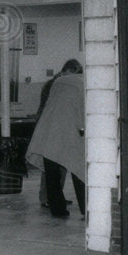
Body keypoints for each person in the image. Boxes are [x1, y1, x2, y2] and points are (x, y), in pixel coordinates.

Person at [26, 59, 86, 219]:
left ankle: (57, 209)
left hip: (47, 131)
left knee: (51, 172)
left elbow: (46, 106)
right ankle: (86, 209)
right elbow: (82, 110)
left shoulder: (55, 83)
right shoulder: (81, 84)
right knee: (79, 170)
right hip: (68, 132)